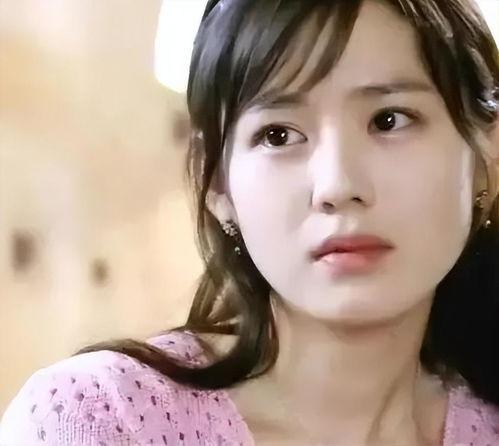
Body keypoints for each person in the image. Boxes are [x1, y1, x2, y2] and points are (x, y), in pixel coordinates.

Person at [2, 0, 499, 444]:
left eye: (389, 120)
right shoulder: (100, 421)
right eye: (278, 135)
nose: (336, 185)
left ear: (486, 158)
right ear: (218, 184)